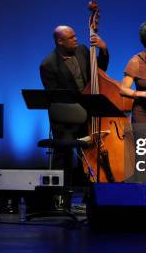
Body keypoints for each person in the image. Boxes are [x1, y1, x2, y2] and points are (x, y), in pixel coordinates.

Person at [39, 25, 109, 170]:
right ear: (60, 41)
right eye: (71, 38)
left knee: (88, 154)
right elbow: (56, 97)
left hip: (88, 114)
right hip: (65, 120)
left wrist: (103, 49)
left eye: (75, 36)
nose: (75, 39)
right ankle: (61, 191)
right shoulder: (48, 65)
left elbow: (100, 69)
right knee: (63, 156)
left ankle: (89, 188)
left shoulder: (82, 50)